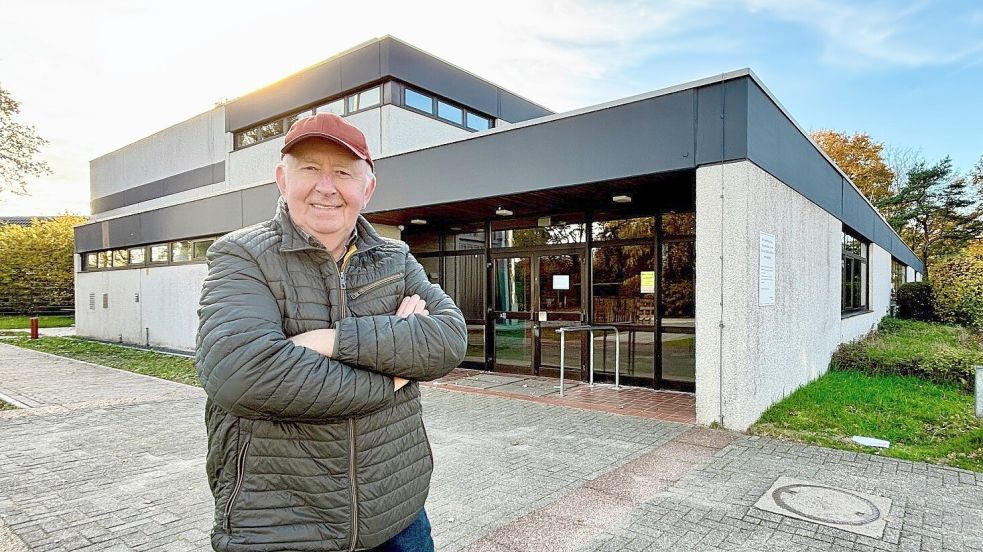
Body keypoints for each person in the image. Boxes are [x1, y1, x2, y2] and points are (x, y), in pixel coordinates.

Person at [196, 113, 467, 552]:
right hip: (281, 524)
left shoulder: (395, 257)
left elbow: (449, 340)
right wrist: (396, 376)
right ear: (282, 179)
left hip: (398, 511)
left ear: (367, 187)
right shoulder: (241, 255)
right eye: (309, 169)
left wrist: (331, 341)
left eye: (342, 172)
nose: (326, 186)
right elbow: (242, 375)